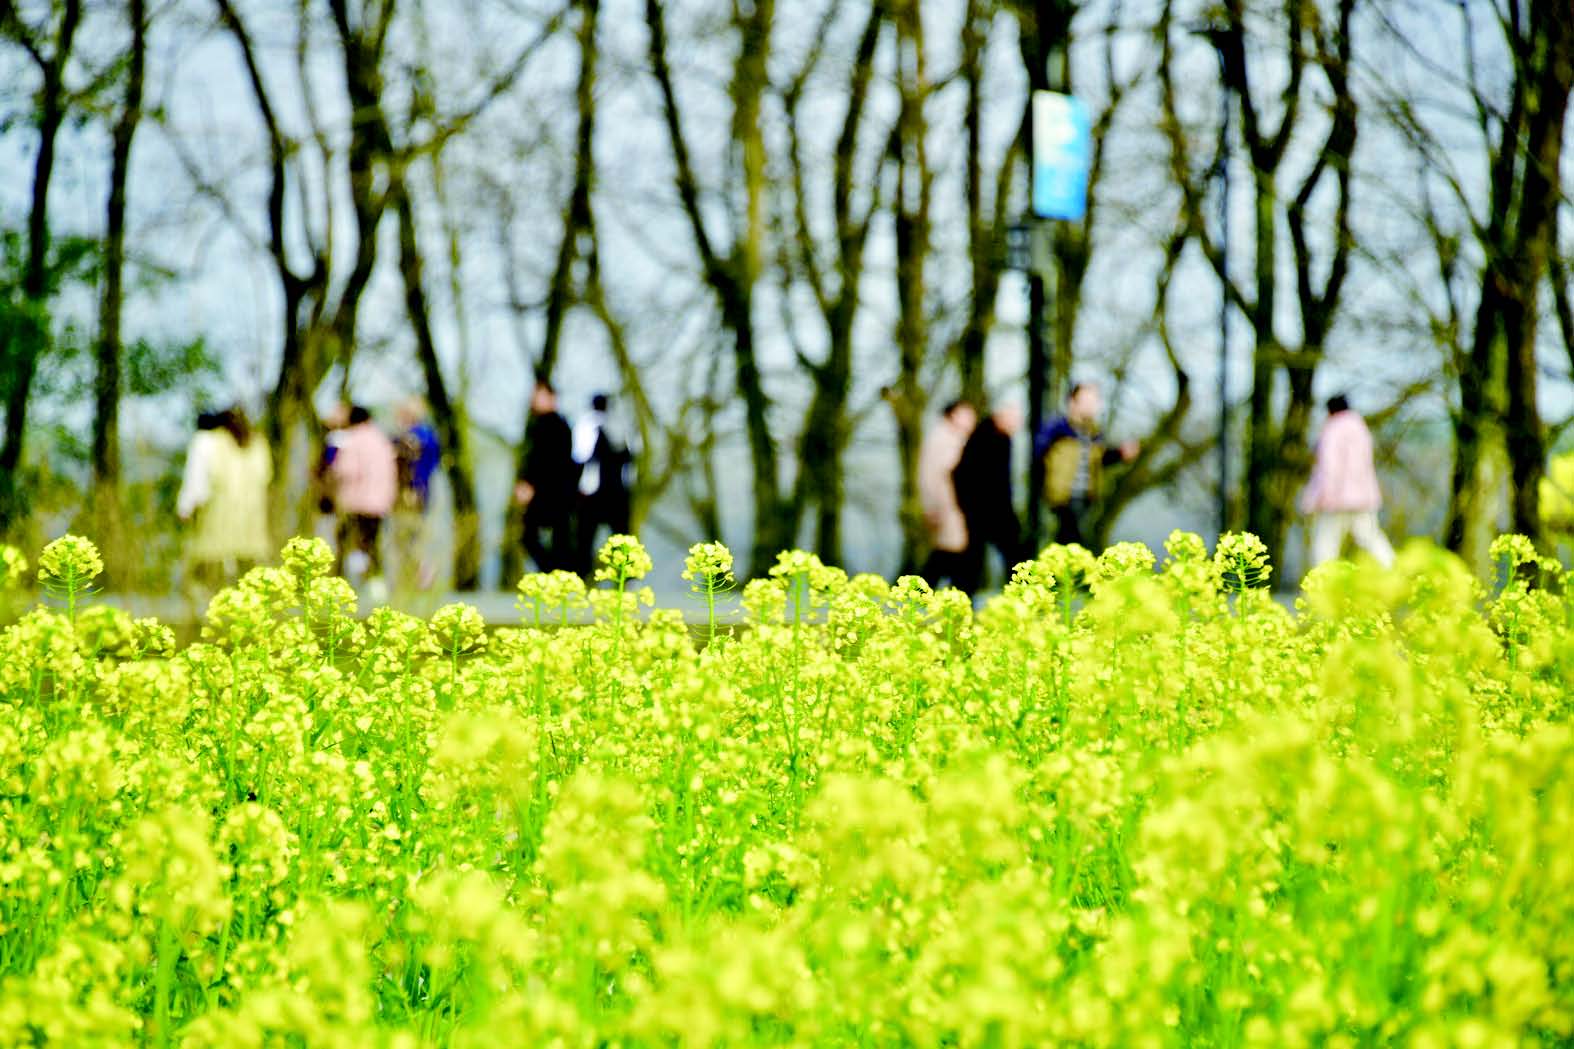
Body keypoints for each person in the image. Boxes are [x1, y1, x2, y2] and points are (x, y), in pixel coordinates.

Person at [1035, 382, 1137, 549]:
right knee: (1061, 548)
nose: (1092, 406)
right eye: (1087, 401)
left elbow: (1098, 462)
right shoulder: (1056, 429)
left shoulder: (1095, 434)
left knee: (1083, 547)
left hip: (1086, 502)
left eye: (1095, 401)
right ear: (1072, 402)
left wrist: (1120, 454)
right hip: (1059, 503)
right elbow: (1038, 457)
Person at [177, 407, 272, 586]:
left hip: (217, 518)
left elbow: (196, 479)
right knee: (248, 575)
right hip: (252, 520)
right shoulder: (259, 443)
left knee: (211, 572)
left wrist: (185, 507)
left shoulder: (206, 440)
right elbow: (265, 478)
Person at [1300, 394, 1395, 568]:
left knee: (1326, 542)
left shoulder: (1333, 429)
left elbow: (1330, 466)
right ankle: (1393, 569)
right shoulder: (1361, 429)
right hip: (1363, 497)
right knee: (1370, 536)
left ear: (1331, 411)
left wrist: (1321, 496)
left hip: (1336, 498)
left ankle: (1322, 581)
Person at [953, 403, 1027, 593]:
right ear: (1000, 417)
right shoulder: (984, 438)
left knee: (980, 559)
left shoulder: (1001, 438)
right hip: (985, 510)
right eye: (1014, 420)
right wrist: (969, 507)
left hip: (992, 510)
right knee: (978, 560)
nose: (1017, 425)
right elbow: (964, 475)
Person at [328, 405, 398, 587]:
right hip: (380, 503)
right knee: (372, 543)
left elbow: (345, 470)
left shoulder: (352, 440)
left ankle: (338, 582)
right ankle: (376, 581)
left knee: (344, 541)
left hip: (356, 501)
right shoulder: (382, 440)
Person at [515, 380, 576, 572]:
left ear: (551, 397)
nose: (533, 400)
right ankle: (553, 572)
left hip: (551, 492)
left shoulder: (554, 426)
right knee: (538, 537)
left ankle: (555, 573)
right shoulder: (541, 424)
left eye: (538, 396)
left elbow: (546, 461)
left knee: (545, 537)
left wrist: (530, 485)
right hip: (550, 491)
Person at [571, 392, 633, 576]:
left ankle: (582, 576)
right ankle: (627, 578)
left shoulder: (586, 425)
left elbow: (579, 457)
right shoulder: (621, 425)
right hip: (618, 490)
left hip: (593, 492)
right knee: (621, 538)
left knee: (585, 538)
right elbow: (630, 458)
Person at [918, 400, 977, 589]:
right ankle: (922, 595)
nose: (971, 420)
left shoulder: (952, 438)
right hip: (946, 507)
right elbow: (930, 476)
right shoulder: (943, 440)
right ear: (953, 415)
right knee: (947, 554)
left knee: (948, 554)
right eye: (966, 415)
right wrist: (932, 507)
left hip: (951, 507)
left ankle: (950, 596)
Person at [394, 397, 443, 589]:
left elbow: (416, 469)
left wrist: (413, 489)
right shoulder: (428, 435)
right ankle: (419, 576)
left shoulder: (414, 439)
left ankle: (421, 576)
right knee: (415, 535)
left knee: (411, 536)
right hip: (423, 492)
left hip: (413, 493)